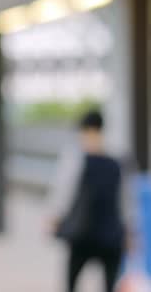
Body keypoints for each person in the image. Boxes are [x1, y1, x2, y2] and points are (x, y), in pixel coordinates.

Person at [48, 110, 129, 292]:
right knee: (106, 283)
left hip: (84, 232)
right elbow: (125, 198)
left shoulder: (76, 158)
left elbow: (64, 190)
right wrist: (128, 230)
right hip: (108, 233)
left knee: (73, 281)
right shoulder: (117, 157)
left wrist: (55, 215)